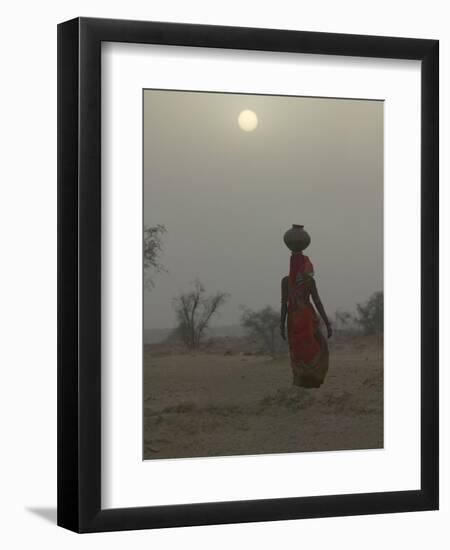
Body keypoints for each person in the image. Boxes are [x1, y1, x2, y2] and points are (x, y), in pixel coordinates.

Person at [280, 252, 332, 388]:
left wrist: (282, 324)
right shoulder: (308, 281)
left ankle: (301, 380)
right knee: (317, 346)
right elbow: (317, 302)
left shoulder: (285, 281)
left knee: (297, 350)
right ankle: (312, 379)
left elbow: (284, 305)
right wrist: (327, 322)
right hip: (307, 318)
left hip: (293, 319)